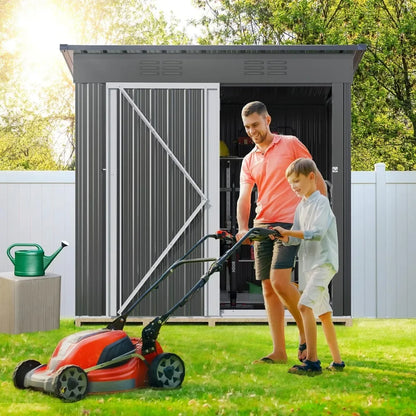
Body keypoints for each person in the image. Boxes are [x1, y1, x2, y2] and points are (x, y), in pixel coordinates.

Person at [236, 101, 327, 364]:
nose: (252, 130)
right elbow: (245, 197)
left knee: (279, 281)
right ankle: (279, 351)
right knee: (268, 287)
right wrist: (244, 227)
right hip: (262, 224)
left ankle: (304, 332)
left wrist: (322, 211)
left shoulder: (290, 144)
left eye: (255, 124)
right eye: (247, 127)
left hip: (290, 222)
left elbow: (314, 175)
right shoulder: (249, 159)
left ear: (267, 120)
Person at [274, 158, 345, 375]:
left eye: (297, 181)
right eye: (291, 183)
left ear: (311, 177)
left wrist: (289, 233)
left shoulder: (321, 203)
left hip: (323, 263)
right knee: (324, 315)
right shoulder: (301, 206)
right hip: (309, 266)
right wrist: (283, 238)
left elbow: (316, 233)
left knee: (305, 306)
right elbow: (296, 238)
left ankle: (313, 363)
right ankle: (338, 362)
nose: (294, 186)